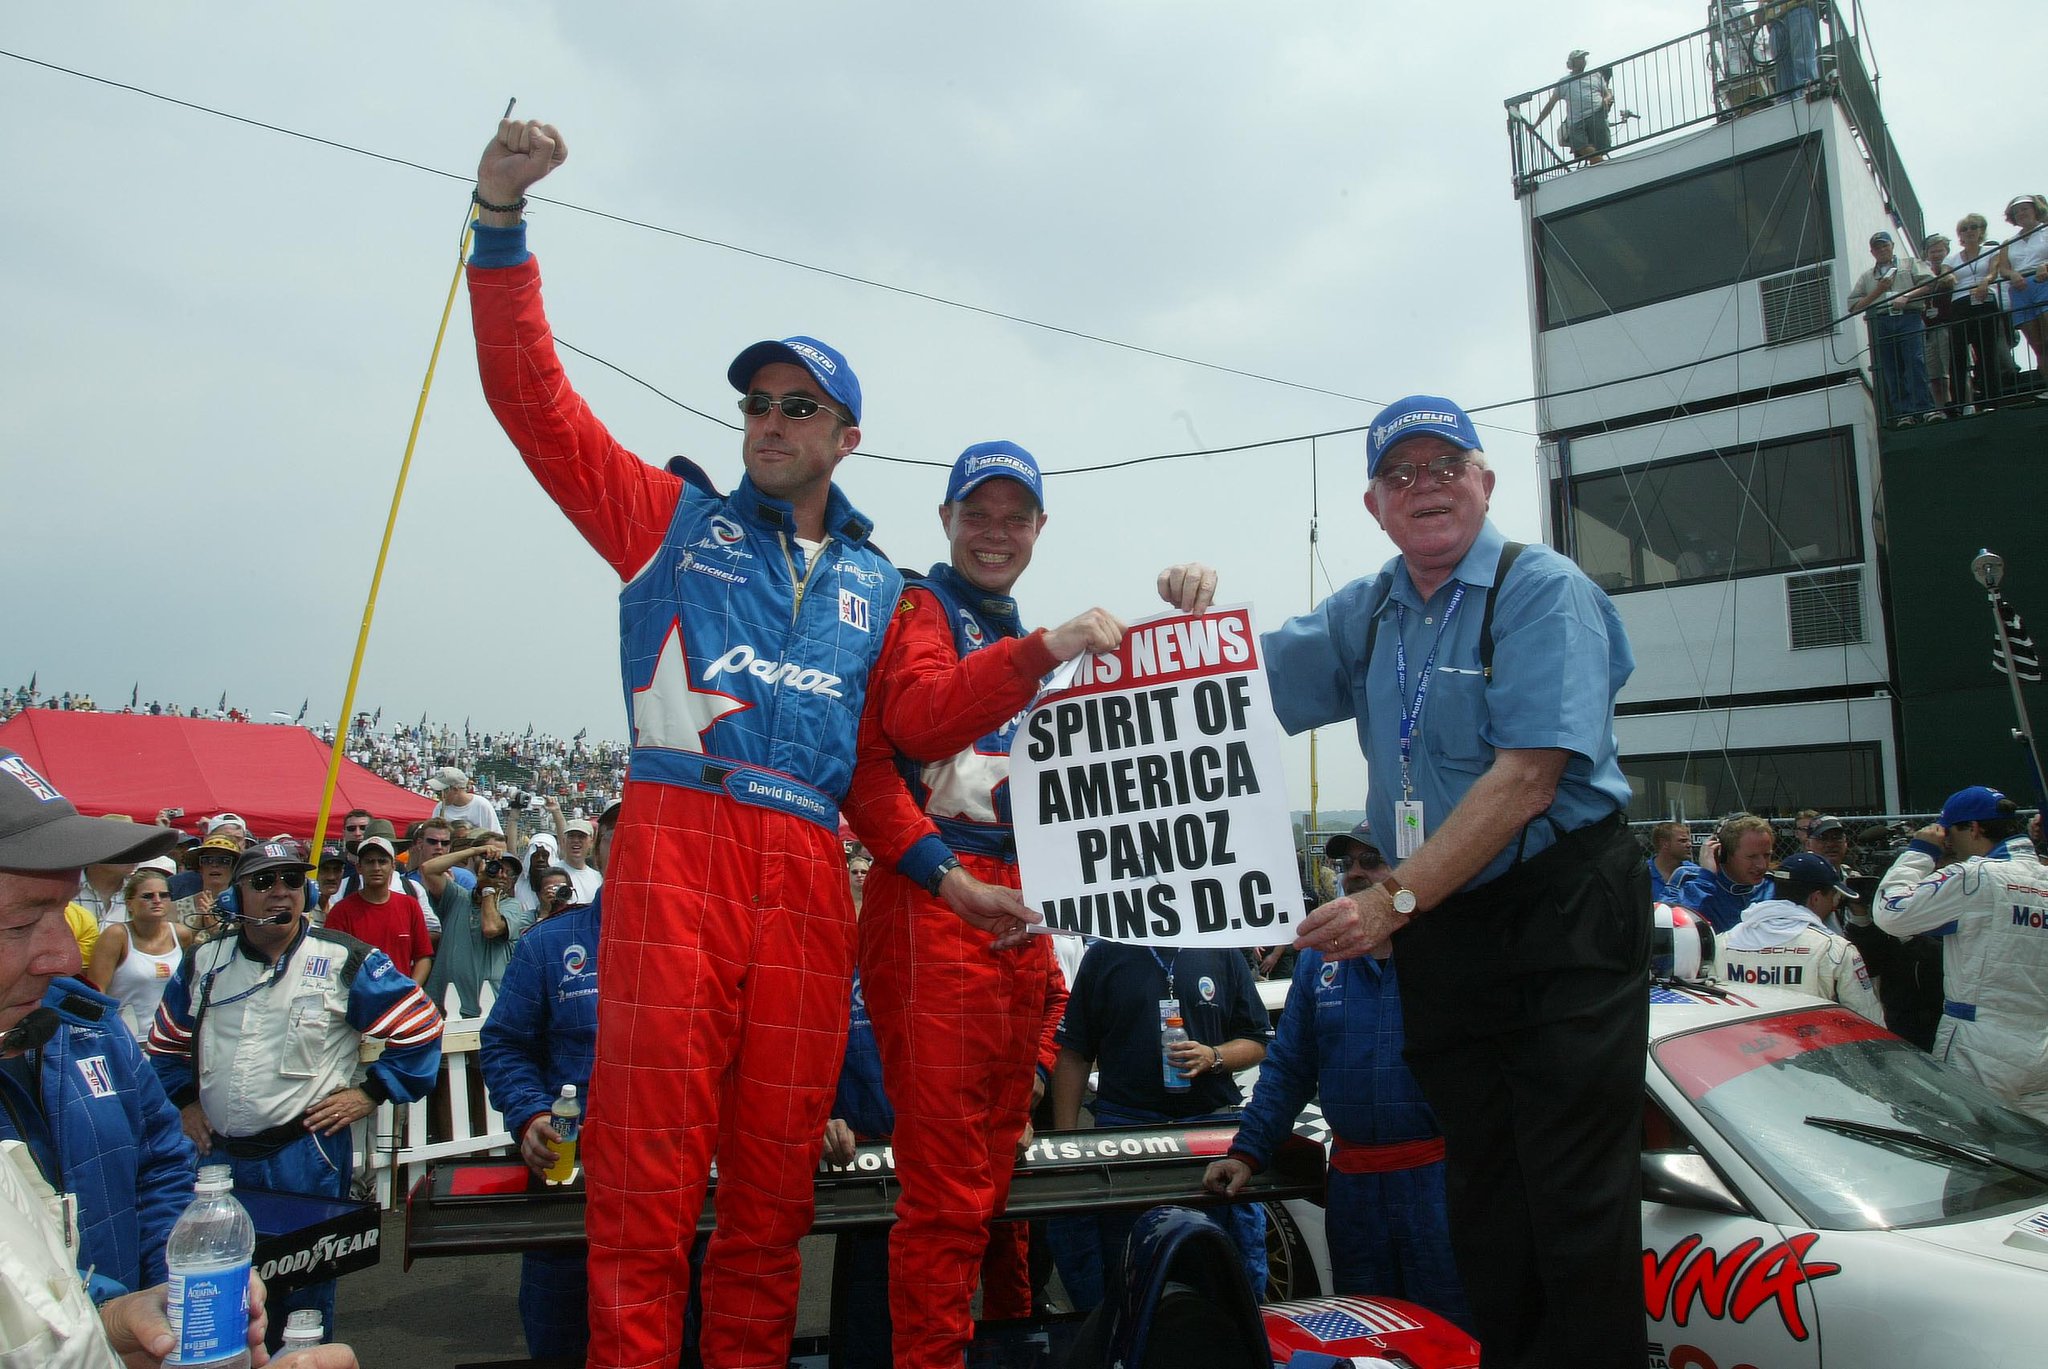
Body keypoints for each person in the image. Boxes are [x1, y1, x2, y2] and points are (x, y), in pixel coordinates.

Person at [465, 115, 1032, 1369]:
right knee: (644, 1203)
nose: (767, 423)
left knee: (772, 1208)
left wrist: (951, 882)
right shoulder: (668, 522)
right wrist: (501, 224)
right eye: (756, 404)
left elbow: (889, 776)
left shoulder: (883, 589)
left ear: (845, 436)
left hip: (806, 879)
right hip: (675, 854)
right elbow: (534, 405)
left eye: (798, 407)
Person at [1164, 392, 1647, 1365]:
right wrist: (1196, 627)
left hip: (1559, 910)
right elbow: (1237, 692)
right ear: (1372, 504)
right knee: (1482, 1203)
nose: (1422, 486)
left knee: (1573, 1209)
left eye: (1442, 466)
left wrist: (1389, 899)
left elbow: (1525, 779)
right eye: (1399, 473)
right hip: (1443, 924)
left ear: (1484, 481)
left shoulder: (1538, 589)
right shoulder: (1371, 608)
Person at [849, 440, 1126, 1369]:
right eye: (979, 513)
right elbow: (919, 721)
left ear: (1040, 529)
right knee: (948, 1190)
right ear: (946, 522)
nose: (996, 532)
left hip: (1018, 906)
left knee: (1001, 1165)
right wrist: (1044, 647)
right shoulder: (920, 606)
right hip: (938, 900)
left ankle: (1009, 1339)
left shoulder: (1014, 639)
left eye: (1016, 516)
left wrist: (1187, 609)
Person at [149, 838, 445, 1345]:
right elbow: (165, 1042)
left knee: (301, 1303)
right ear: (237, 894)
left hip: (304, 1157)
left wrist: (370, 1093)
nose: (279, 893)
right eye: (263, 882)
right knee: (214, 1295)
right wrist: (185, 1102)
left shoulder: (343, 959)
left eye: (291, 881)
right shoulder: (204, 963)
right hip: (218, 1160)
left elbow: (420, 1027)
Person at [1204, 825, 1469, 1327]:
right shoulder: (1318, 961)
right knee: (1364, 1334)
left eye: (1372, 861)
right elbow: (1289, 1066)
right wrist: (1247, 1151)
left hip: (1440, 1185)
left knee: (1450, 1334)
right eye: (1347, 865)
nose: (1354, 874)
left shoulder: (1452, 950)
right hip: (1354, 1190)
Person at [0, 750, 195, 1307]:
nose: (64, 955)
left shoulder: (86, 1025)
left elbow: (162, 1165)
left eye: (64, 909)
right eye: (20, 923)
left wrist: (177, 1289)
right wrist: (109, 1318)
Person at [1050, 940, 1270, 1310]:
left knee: (1221, 1266)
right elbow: (1074, 1052)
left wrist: (1214, 1057)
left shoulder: (1221, 949)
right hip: (1127, 1129)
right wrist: (1064, 1145)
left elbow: (1257, 1039)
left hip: (1208, 1128)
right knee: (1124, 1270)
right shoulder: (1106, 954)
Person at [479, 875, 603, 1362]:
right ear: (600, 857)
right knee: (563, 1342)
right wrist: (529, 1113)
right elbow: (505, 1042)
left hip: (676, 1184)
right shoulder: (551, 943)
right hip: (569, 1181)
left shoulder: (705, 938)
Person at [1874, 785, 2048, 1122]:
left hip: (1982, 1040)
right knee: (2038, 1158)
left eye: (1950, 834)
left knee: (1971, 1155)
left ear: (1975, 828)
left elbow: (1891, 913)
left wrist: (1921, 852)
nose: (1949, 844)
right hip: (2041, 1040)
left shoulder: (1975, 876)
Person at [1717, 852, 1882, 1018]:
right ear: (1816, 898)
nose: (1835, 903)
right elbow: (1868, 1016)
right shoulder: (1834, 949)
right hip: (1813, 1042)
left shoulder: (1722, 942)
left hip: (1741, 1041)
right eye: (1834, 896)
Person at [420, 835, 528, 1019]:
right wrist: (475, 851)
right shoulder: (457, 897)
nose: (502, 876)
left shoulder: (513, 907)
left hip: (488, 1008)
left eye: (509, 873)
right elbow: (428, 869)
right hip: (444, 1006)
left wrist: (488, 889)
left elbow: (491, 928)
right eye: (498, 868)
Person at [87, 869, 194, 1038]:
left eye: (164, 895)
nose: (157, 900)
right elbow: (95, 992)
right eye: (148, 896)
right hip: (123, 1038)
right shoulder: (116, 936)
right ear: (129, 903)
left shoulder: (182, 935)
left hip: (168, 1040)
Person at [1847, 231, 1937, 425]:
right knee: (1891, 369)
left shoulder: (1909, 264)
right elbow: (1853, 306)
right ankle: (1904, 414)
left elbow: (1930, 282)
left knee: (1914, 362)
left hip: (1909, 316)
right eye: (1877, 247)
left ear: (1892, 246)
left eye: (1885, 245)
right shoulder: (1867, 277)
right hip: (1882, 321)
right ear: (1872, 252)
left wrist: (1907, 296)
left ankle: (1925, 409)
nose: (1881, 250)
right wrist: (1878, 292)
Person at [322, 834, 434, 986]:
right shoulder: (341, 912)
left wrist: (410, 992)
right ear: (359, 867)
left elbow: (423, 957)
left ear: (393, 866)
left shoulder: (410, 906)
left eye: (382, 861)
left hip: (401, 1001)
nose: (376, 867)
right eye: (369, 862)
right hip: (357, 1002)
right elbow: (331, 963)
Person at [1946, 213, 2021, 406]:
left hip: (1984, 300)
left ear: (1981, 231)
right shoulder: (1952, 258)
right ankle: (1959, 403)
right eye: (1964, 229)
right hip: (1960, 303)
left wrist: (1985, 282)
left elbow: (1993, 270)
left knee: (1987, 352)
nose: (1969, 231)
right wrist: (1951, 279)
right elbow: (1946, 275)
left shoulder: (1991, 250)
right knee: (1958, 354)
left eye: (1973, 227)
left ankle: (1991, 400)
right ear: (1959, 235)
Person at [1674, 812, 1776, 931]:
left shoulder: (1775, 887)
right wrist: (1705, 879)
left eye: (1767, 855)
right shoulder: (1688, 880)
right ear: (1722, 853)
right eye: (1751, 857)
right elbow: (1675, 925)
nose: (1762, 865)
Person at [1992, 194, 2048, 381]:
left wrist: (2046, 265)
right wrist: (2012, 274)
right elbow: (2004, 268)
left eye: (2025, 208)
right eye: (2016, 211)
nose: (2021, 213)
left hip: (2043, 282)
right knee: (2037, 345)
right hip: (2020, 289)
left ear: (2035, 209)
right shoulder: (2009, 242)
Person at [1531, 49, 1612, 163]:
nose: (1583, 61)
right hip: (1576, 120)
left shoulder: (1595, 75)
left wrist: (1606, 99)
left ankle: (1597, 161)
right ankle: (1600, 162)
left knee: (1602, 147)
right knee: (1579, 145)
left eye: (1583, 59)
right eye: (1579, 59)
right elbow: (1550, 104)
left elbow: (1607, 94)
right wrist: (1536, 124)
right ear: (1571, 63)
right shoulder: (1564, 82)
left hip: (1596, 113)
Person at [1918, 232, 1958, 415]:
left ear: (1947, 251)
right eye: (1932, 251)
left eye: (1940, 251)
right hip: (1927, 328)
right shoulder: (1921, 273)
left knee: (1953, 370)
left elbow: (1950, 281)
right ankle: (1941, 410)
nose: (1936, 255)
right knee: (1934, 376)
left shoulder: (1953, 268)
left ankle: (1962, 405)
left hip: (1947, 325)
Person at [429, 767, 503, 835]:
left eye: (440, 792)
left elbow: (496, 837)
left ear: (455, 790)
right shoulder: (440, 807)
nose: (439, 796)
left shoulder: (481, 805)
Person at [1645, 820, 1701, 905]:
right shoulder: (1643, 873)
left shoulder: (1694, 872)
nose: (1689, 845)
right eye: (1682, 841)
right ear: (1665, 844)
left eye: (1689, 841)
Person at [556, 818, 603, 903]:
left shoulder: (598, 878)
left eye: (581, 837)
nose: (576, 840)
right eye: (571, 836)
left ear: (591, 842)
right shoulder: (553, 874)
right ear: (564, 841)